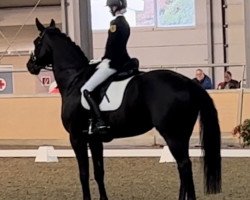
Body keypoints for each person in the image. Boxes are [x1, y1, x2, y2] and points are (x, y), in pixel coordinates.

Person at [81, 0, 131, 135]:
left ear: (116, 6)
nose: (110, 9)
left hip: (113, 63)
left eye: (111, 6)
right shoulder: (125, 23)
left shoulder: (115, 23)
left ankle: (100, 121)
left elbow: (112, 45)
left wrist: (104, 60)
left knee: (86, 89)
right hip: (122, 61)